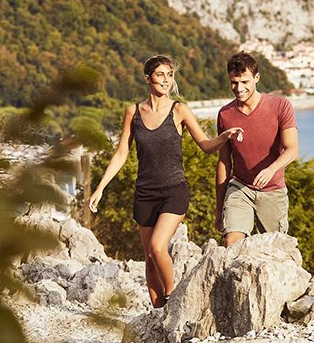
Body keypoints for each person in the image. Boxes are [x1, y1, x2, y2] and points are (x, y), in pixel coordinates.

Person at [89, 54, 243, 308]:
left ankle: (173, 296)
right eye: (160, 74)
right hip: (144, 194)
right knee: (149, 257)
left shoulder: (179, 110)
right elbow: (121, 153)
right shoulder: (133, 112)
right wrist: (100, 187)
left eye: (170, 75)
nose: (166, 80)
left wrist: (224, 136)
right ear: (147, 78)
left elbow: (206, 146)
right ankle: (158, 312)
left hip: (174, 191)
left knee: (158, 247)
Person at [216, 51, 299, 247]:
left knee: (274, 250)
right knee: (231, 243)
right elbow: (224, 162)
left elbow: (292, 149)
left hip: (273, 190)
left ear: (257, 78)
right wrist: (219, 208)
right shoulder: (225, 115)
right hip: (240, 187)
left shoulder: (280, 106)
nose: (239, 88)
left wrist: (271, 169)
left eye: (245, 82)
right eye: (234, 82)